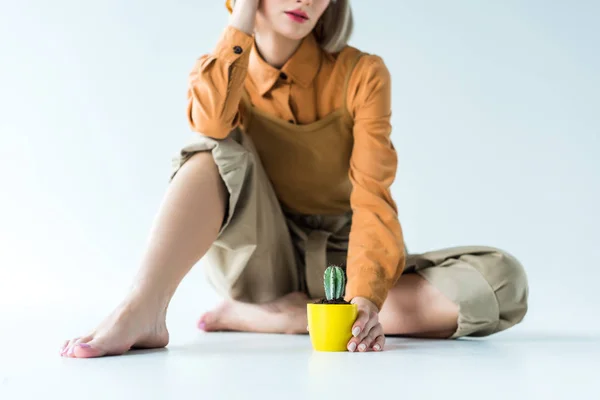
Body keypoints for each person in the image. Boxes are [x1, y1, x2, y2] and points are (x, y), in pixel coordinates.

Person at [60, 0, 529, 358]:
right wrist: (241, 19)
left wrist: (364, 298)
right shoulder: (225, 68)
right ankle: (144, 308)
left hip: (343, 269)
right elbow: (208, 124)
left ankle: (293, 317)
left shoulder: (361, 74)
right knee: (212, 150)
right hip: (261, 260)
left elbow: (373, 197)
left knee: (500, 282)